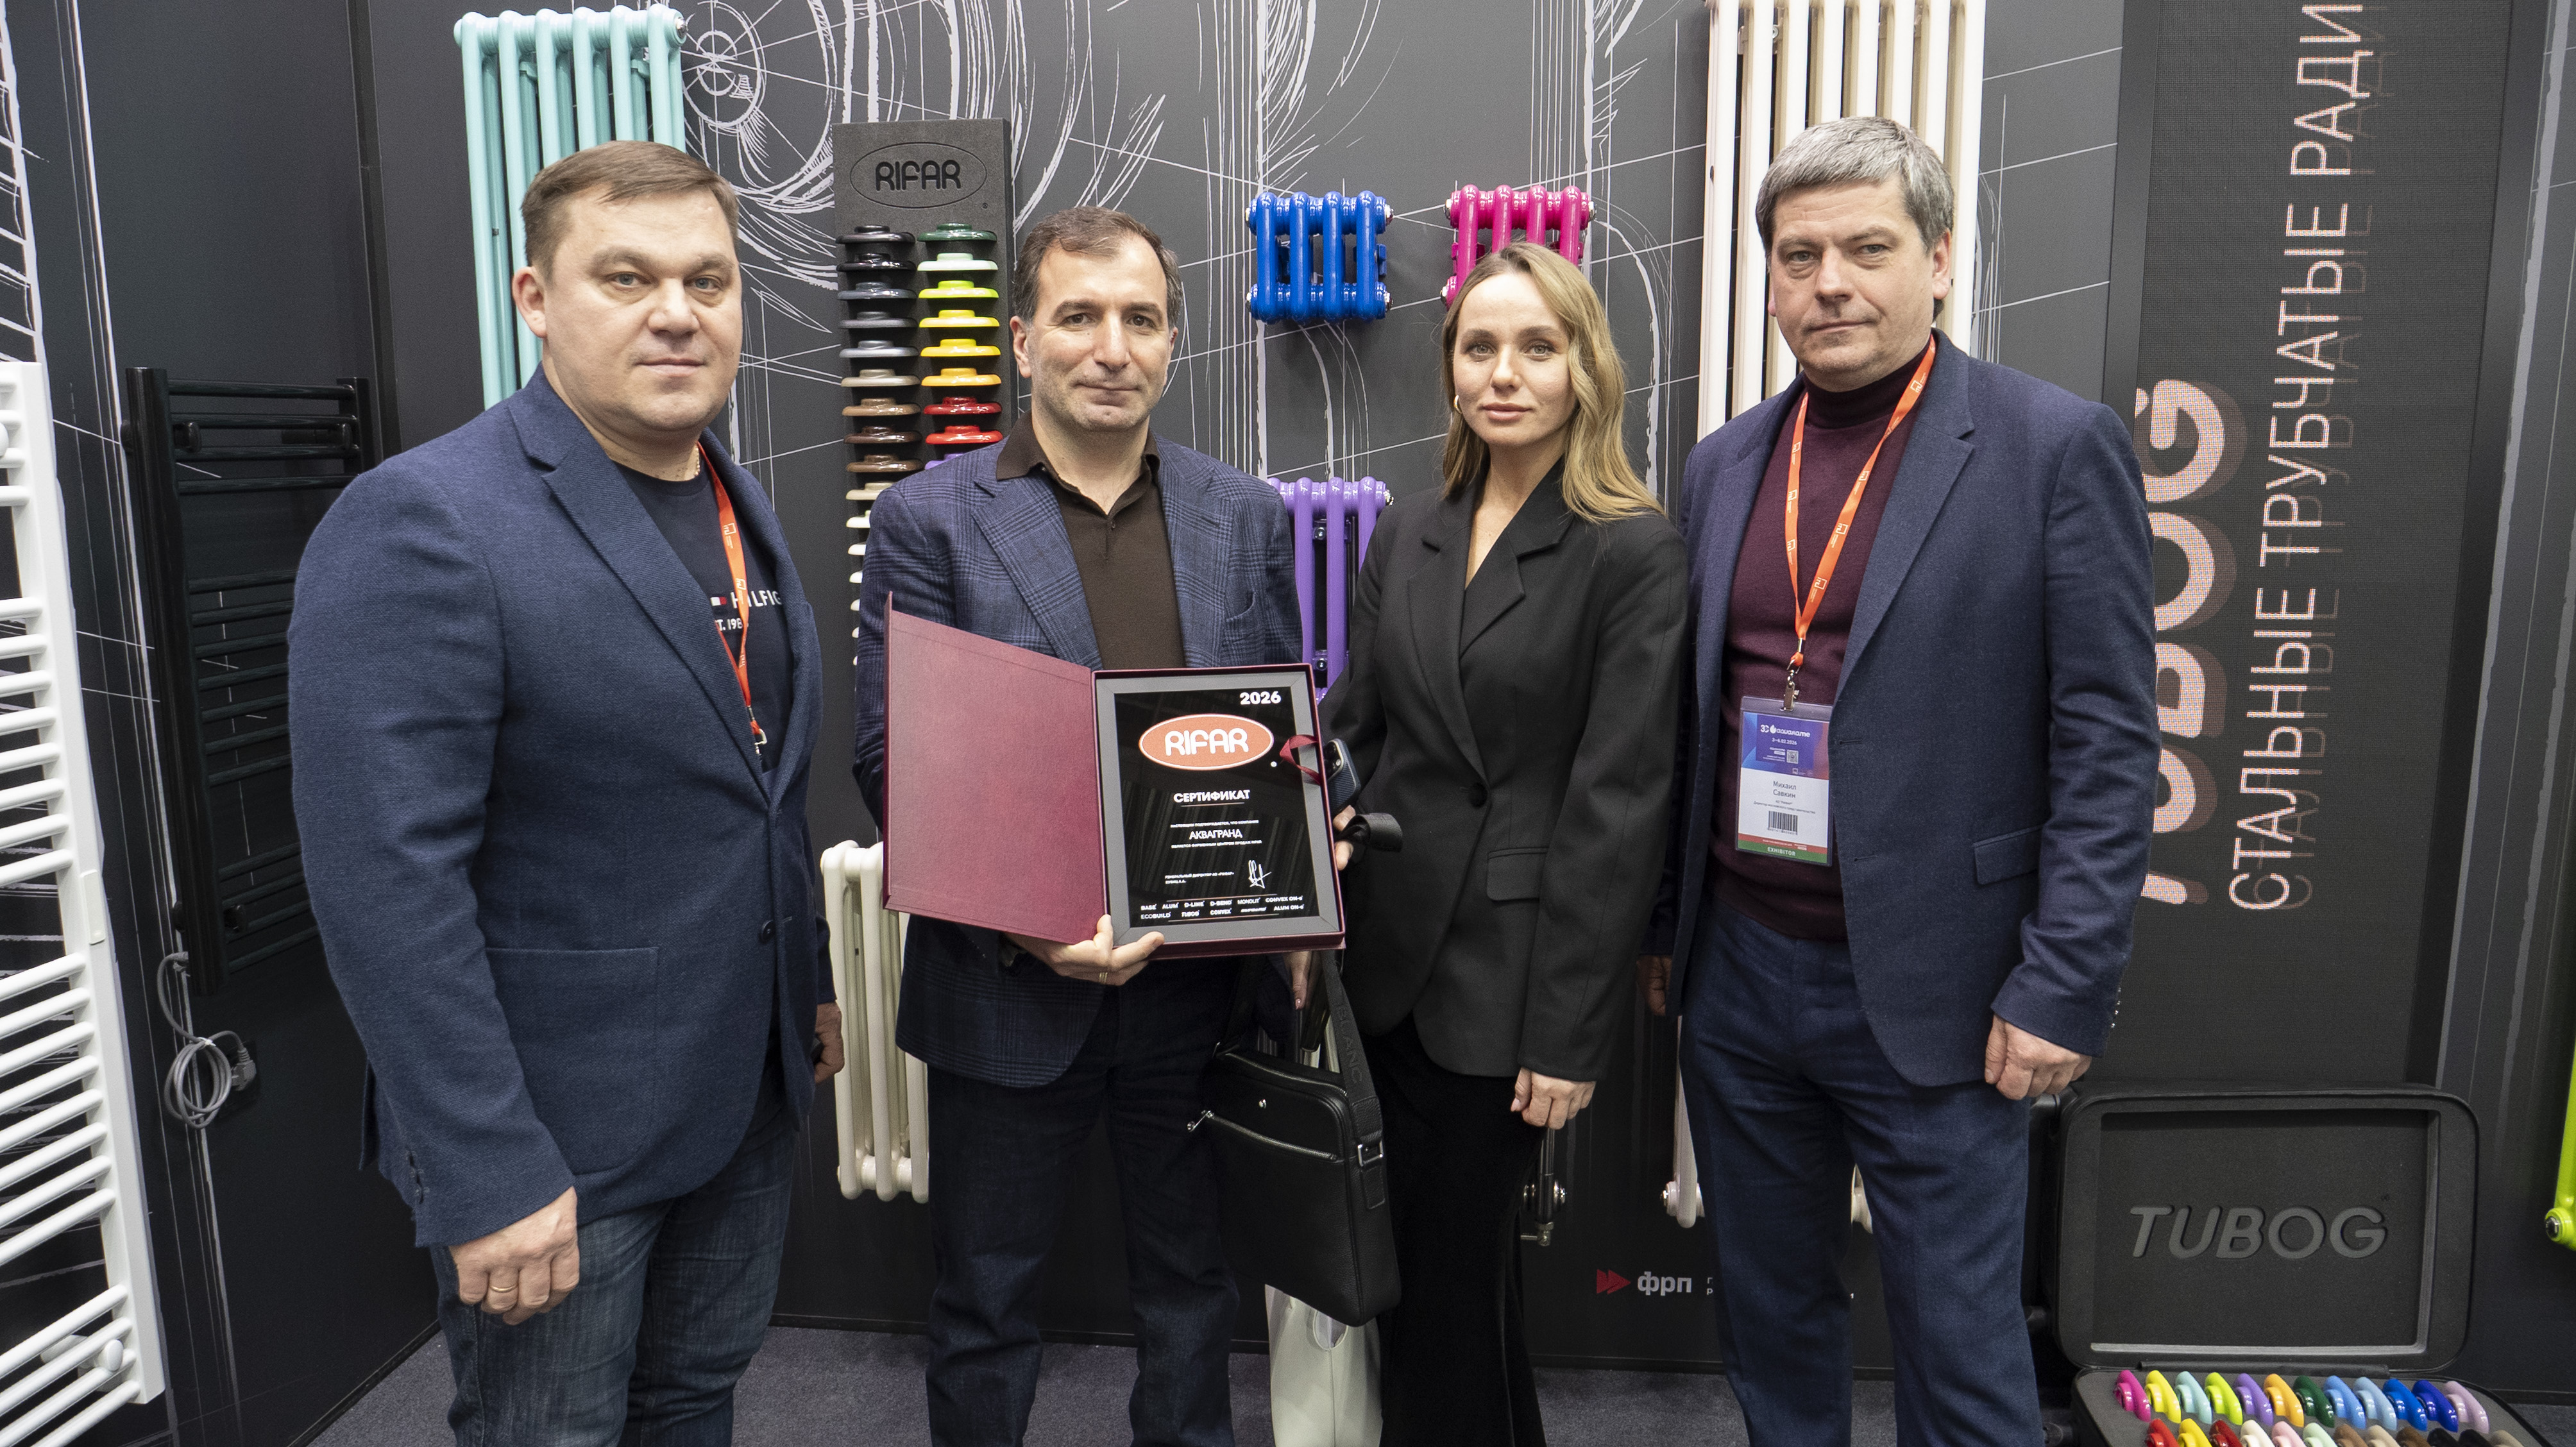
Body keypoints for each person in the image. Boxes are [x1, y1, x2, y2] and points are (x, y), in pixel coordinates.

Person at [291, 140, 841, 1444]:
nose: (677, 313)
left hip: (738, 1088)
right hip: (554, 1137)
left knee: (693, 1401)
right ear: (537, 298)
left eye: (708, 281)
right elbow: (385, 883)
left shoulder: (727, 493)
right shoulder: (425, 519)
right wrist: (486, 1167)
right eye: (627, 278)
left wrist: (806, 978)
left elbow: (755, 779)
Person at [1641, 115, 2157, 1447]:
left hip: (1947, 991)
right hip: (1740, 977)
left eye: (1867, 250)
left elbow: (2108, 742)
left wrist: (2061, 983)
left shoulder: (2053, 448)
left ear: (1937, 258)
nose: (1831, 284)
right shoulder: (1722, 464)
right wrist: (1665, 933)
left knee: (1962, 1356)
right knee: (1772, 1327)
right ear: (1769, 279)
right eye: (1799, 256)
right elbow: (1694, 719)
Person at [850, 205, 1302, 1447]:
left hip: (1194, 987)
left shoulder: (1241, 514)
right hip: (1006, 987)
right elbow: (892, 760)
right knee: (985, 1302)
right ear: (1021, 339)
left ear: (1172, 342)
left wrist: (1316, 843)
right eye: (1080, 316)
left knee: (1192, 1288)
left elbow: (1284, 729)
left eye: (1141, 320)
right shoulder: (929, 519)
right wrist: (1031, 926)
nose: (1112, 347)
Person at [1313, 241, 1686, 1444]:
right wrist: (1299, 836)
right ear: (1451, 367)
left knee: (1449, 1298)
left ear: (1587, 368)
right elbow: (1354, 726)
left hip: (1511, 988)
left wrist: (1568, 1034)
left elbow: (1618, 807)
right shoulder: (1413, 527)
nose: (1505, 373)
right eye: (1480, 347)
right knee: (1433, 1291)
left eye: (1537, 346)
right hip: (1387, 965)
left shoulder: (1631, 549)